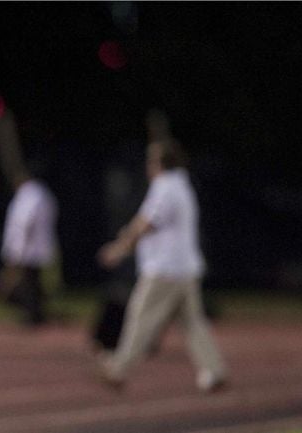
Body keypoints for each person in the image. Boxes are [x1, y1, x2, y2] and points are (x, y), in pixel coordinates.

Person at [97, 138, 228, 393]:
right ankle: (214, 370)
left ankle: (117, 369)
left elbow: (146, 223)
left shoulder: (165, 186)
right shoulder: (183, 185)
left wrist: (118, 248)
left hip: (165, 269)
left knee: (140, 317)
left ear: (157, 163)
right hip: (186, 268)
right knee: (193, 323)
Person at [0, 168, 59, 327]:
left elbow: (25, 222)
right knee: (33, 283)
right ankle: (36, 313)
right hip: (38, 247)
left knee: (26, 283)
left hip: (28, 248)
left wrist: (18, 249)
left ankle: (34, 314)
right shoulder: (43, 194)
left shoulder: (30, 195)